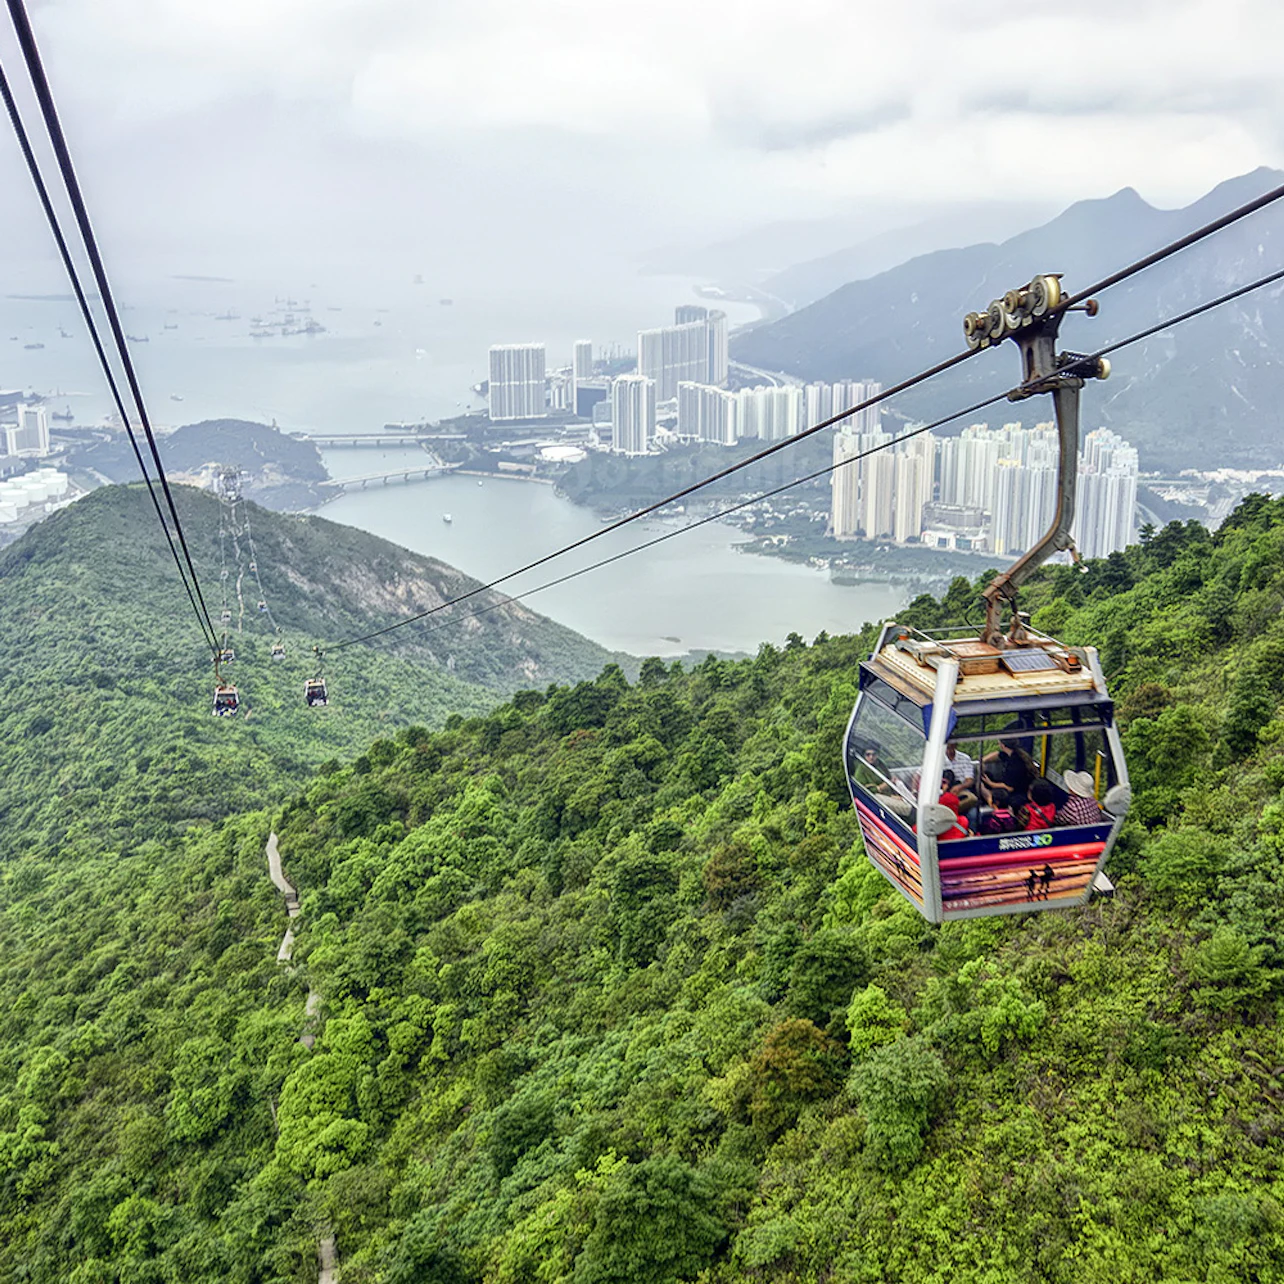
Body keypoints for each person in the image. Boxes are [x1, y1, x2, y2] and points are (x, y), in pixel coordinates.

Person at [982, 738, 1037, 809]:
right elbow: (997, 754)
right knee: (987, 776)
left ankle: (993, 804)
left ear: (1003, 745)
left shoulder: (1015, 764)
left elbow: (1010, 788)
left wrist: (990, 784)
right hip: (1013, 786)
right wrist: (983, 761)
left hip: (1018, 792)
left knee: (985, 787)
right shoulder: (1012, 754)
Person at [943, 742, 978, 811]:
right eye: (947, 748)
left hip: (961, 790)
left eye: (951, 747)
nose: (949, 751)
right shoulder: (937, 759)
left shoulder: (965, 758)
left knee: (972, 807)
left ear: (955, 746)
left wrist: (960, 787)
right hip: (944, 792)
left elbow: (970, 780)